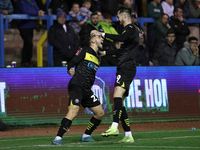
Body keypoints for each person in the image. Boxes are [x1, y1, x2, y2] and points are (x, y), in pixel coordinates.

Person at [91, 6, 139, 143]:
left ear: (125, 16)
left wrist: (102, 34)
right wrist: (105, 53)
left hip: (127, 67)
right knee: (121, 103)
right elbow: (121, 51)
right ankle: (128, 135)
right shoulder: (128, 31)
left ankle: (114, 125)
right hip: (124, 67)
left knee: (117, 95)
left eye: (118, 16)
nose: (117, 19)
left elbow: (121, 38)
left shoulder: (130, 29)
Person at [51, 33, 104, 145]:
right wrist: (70, 69)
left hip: (87, 89)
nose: (102, 39)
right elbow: (72, 61)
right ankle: (57, 138)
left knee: (99, 113)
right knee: (73, 111)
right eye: (99, 37)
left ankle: (86, 136)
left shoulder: (98, 58)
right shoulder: (84, 50)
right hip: (77, 85)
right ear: (93, 40)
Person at [17, 0, 45, 67]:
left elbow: (37, 9)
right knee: (28, 43)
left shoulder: (33, 2)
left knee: (29, 44)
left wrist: (40, 12)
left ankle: (28, 60)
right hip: (23, 26)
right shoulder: (22, 2)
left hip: (31, 25)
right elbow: (25, 11)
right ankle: (25, 61)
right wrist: (37, 13)